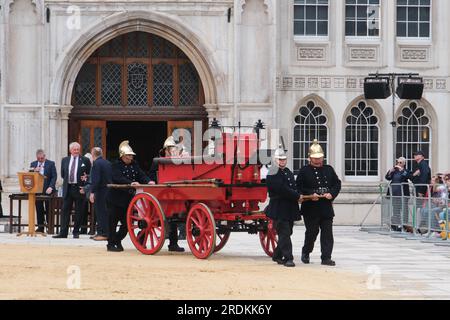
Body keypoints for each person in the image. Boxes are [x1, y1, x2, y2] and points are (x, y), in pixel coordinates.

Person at [296, 139, 341, 266]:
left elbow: (337, 184)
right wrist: (310, 194)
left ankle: (326, 257)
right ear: (310, 158)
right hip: (311, 208)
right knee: (312, 233)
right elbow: (298, 187)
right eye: (315, 158)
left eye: (320, 158)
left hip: (326, 207)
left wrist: (331, 194)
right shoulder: (304, 171)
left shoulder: (328, 169)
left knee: (327, 234)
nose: (318, 160)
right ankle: (306, 251)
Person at [107, 141, 152, 252]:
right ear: (122, 156)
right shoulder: (115, 165)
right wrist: (130, 183)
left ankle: (117, 240)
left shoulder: (134, 165)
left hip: (128, 200)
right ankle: (111, 244)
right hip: (115, 199)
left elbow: (141, 174)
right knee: (112, 223)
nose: (131, 157)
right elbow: (117, 178)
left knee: (127, 224)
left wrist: (149, 181)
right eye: (128, 155)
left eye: (131, 155)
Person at [264, 145, 301, 267]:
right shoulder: (272, 172)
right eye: (280, 159)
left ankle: (277, 255)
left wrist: (298, 195)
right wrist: (296, 196)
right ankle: (288, 258)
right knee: (284, 232)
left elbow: (293, 186)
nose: (282, 161)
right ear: (275, 160)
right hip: (279, 207)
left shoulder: (287, 171)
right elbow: (282, 189)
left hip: (289, 207)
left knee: (288, 232)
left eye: (284, 159)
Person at [148, 136, 186, 252]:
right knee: (168, 217)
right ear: (166, 150)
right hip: (162, 192)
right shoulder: (158, 161)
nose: (173, 152)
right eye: (171, 149)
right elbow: (152, 175)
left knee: (174, 217)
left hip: (176, 191)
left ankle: (173, 244)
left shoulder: (177, 161)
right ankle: (143, 238)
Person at [53, 142, 92, 239]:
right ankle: (63, 232)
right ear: (70, 150)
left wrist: (86, 179)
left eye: (78, 149)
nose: (76, 151)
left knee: (79, 211)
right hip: (68, 188)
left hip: (79, 189)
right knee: (65, 210)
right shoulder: (65, 160)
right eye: (74, 149)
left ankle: (76, 232)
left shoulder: (85, 160)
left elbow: (90, 175)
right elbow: (63, 174)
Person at [30, 149, 58, 233]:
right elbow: (29, 176)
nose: (40, 160)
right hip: (37, 190)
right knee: (39, 209)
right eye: (39, 158)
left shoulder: (51, 163)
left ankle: (50, 226)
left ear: (44, 156)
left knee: (49, 209)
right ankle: (40, 227)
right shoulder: (33, 164)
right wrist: (34, 171)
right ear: (36, 157)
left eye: (42, 158)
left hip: (48, 190)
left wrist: (51, 187)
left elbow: (54, 176)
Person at [89, 147, 112, 241]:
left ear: (93, 154)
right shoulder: (108, 163)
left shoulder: (96, 164)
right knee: (104, 213)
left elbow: (96, 180)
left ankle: (103, 234)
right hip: (108, 190)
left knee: (100, 213)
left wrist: (92, 192)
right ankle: (101, 232)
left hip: (100, 191)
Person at [385, 157, 411, 232]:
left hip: (403, 194)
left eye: (400, 162)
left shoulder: (405, 171)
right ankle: (396, 225)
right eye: (397, 162)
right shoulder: (394, 171)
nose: (398, 164)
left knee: (404, 209)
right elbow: (387, 178)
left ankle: (404, 225)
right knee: (396, 209)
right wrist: (390, 171)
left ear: (404, 163)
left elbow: (408, 176)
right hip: (394, 194)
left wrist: (402, 170)